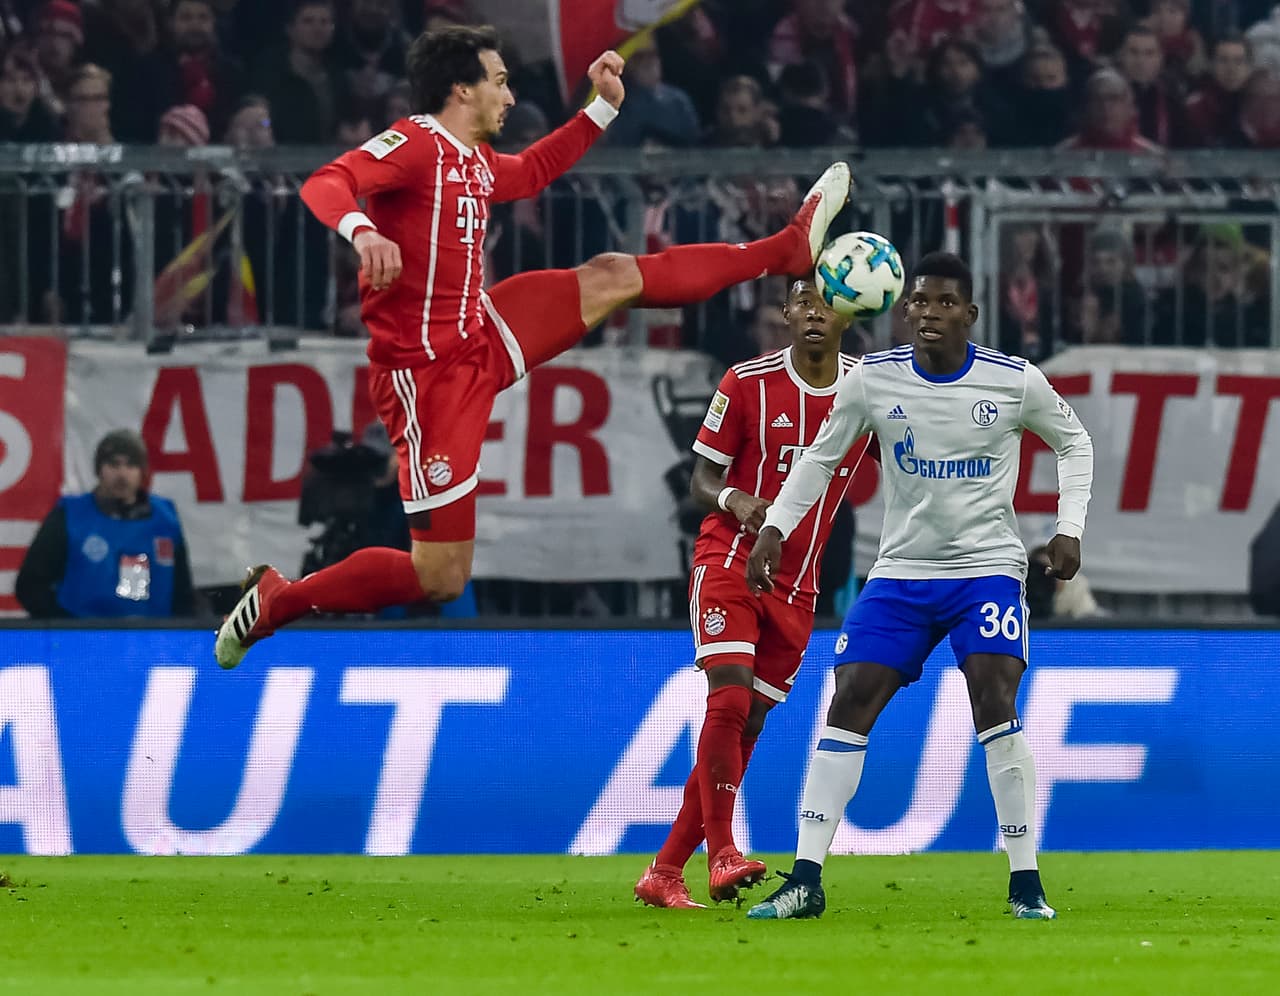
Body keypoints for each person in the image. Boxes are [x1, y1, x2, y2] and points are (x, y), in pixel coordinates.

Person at [214, 24, 849, 668]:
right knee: (440, 575)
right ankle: (278, 600)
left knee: (612, 275)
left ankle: (784, 250)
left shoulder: (474, 160)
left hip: (480, 331)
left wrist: (601, 106)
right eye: (500, 82)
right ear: (461, 90)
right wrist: (361, 232)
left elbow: (535, 169)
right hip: (428, 380)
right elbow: (327, 181)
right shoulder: (413, 144)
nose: (511, 97)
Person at [742, 252, 1093, 922]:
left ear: (971, 314)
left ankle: (1026, 885)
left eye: (943, 303)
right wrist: (777, 528)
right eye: (919, 303)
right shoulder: (874, 379)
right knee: (847, 701)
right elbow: (821, 456)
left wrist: (1067, 528)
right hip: (902, 571)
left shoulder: (1014, 381)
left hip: (986, 569)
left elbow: (1076, 445)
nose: (928, 314)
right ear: (903, 310)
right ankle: (806, 880)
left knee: (995, 696)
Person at [634, 279, 871, 909]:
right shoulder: (745, 382)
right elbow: (702, 479)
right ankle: (722, 854)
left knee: (748, 725)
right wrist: (737, 499)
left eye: (826, 306)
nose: (813, 315)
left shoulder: (867, 391)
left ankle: (662, 872)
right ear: (786, 315)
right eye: (802, 305)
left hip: (800, 582)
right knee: (730, 699)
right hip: (730, 560)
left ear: (847, 315)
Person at [15, 430, 196, 619]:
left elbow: (182, 594)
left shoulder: (165, 520)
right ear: (99, 470)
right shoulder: (70, 517)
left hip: (149, 641)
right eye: (114, 464)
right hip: (83, 641)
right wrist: (68, 629)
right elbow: (30, 586)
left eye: (131, 465)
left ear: (142, 471)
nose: (122, 474)